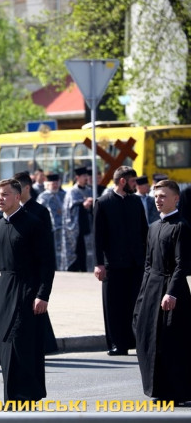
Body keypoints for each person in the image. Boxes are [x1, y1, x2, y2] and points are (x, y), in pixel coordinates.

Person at [0, 179, 54, 403]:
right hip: (4, 292)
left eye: (5, 194)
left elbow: (47, 264)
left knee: (23, 344)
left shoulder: (33, 224)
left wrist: (42, 295)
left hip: (28, 291)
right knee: (6, 347)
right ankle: (11, 398)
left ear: (18, 196)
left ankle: (27, 396)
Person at [133, 180, 191, 404]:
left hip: (173, 292)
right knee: (150, 339)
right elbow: (148, 264)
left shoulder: (181, 226)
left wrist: (172, 292)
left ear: (176, 199)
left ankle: (178, 392)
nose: (158, 200)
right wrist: (143, 294)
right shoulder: (154, 227)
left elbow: (182, 264)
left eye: (163, 196)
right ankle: (158, 388)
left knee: (172, 342)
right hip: (152, 289)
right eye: (156, 196)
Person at [93, 166, 148, 356]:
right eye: (133, 181)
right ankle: (117, 343)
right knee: (114, 306)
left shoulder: (136, 201)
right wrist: (99, 263)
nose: (135, 185)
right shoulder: (103, 203)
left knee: (135, 304)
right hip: (113, 265)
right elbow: (98, 237)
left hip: (136, 263)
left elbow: (144, 232)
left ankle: (136, 341)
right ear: (123, 181)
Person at [14, 172, 58, 354]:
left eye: (17, 188)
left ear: (26, 188)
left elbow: (46, 246)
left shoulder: (40, 211)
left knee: (36, 306)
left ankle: (44, 344)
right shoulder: (12, 210)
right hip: (17, 269)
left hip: (35, 267)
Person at [62, 166, 93, 272]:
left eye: (86, 176)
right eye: (83, 176)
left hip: (86, 226)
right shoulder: (72, 192)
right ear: (77, 177)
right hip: (75, 228)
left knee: (86, 251)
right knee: (76, 250)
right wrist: (83, 205)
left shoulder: (89, 190)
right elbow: (69, 209)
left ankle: (86, 269)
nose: (86, 178)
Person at [37, 173, 64, 270]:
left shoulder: (63, 194)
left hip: (63, 229)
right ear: (47, 184)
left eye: (57, 183)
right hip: (49, 229)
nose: (55, 185)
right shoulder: (42, 197)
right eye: (53, 184)